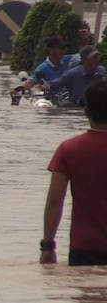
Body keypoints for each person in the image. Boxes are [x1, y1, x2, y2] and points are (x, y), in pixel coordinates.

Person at [40, 79, 107, 266]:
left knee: (87, 294)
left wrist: (47, 247)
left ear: (86, 112)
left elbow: (54, 200)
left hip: (85, 247)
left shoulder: (69, 149)